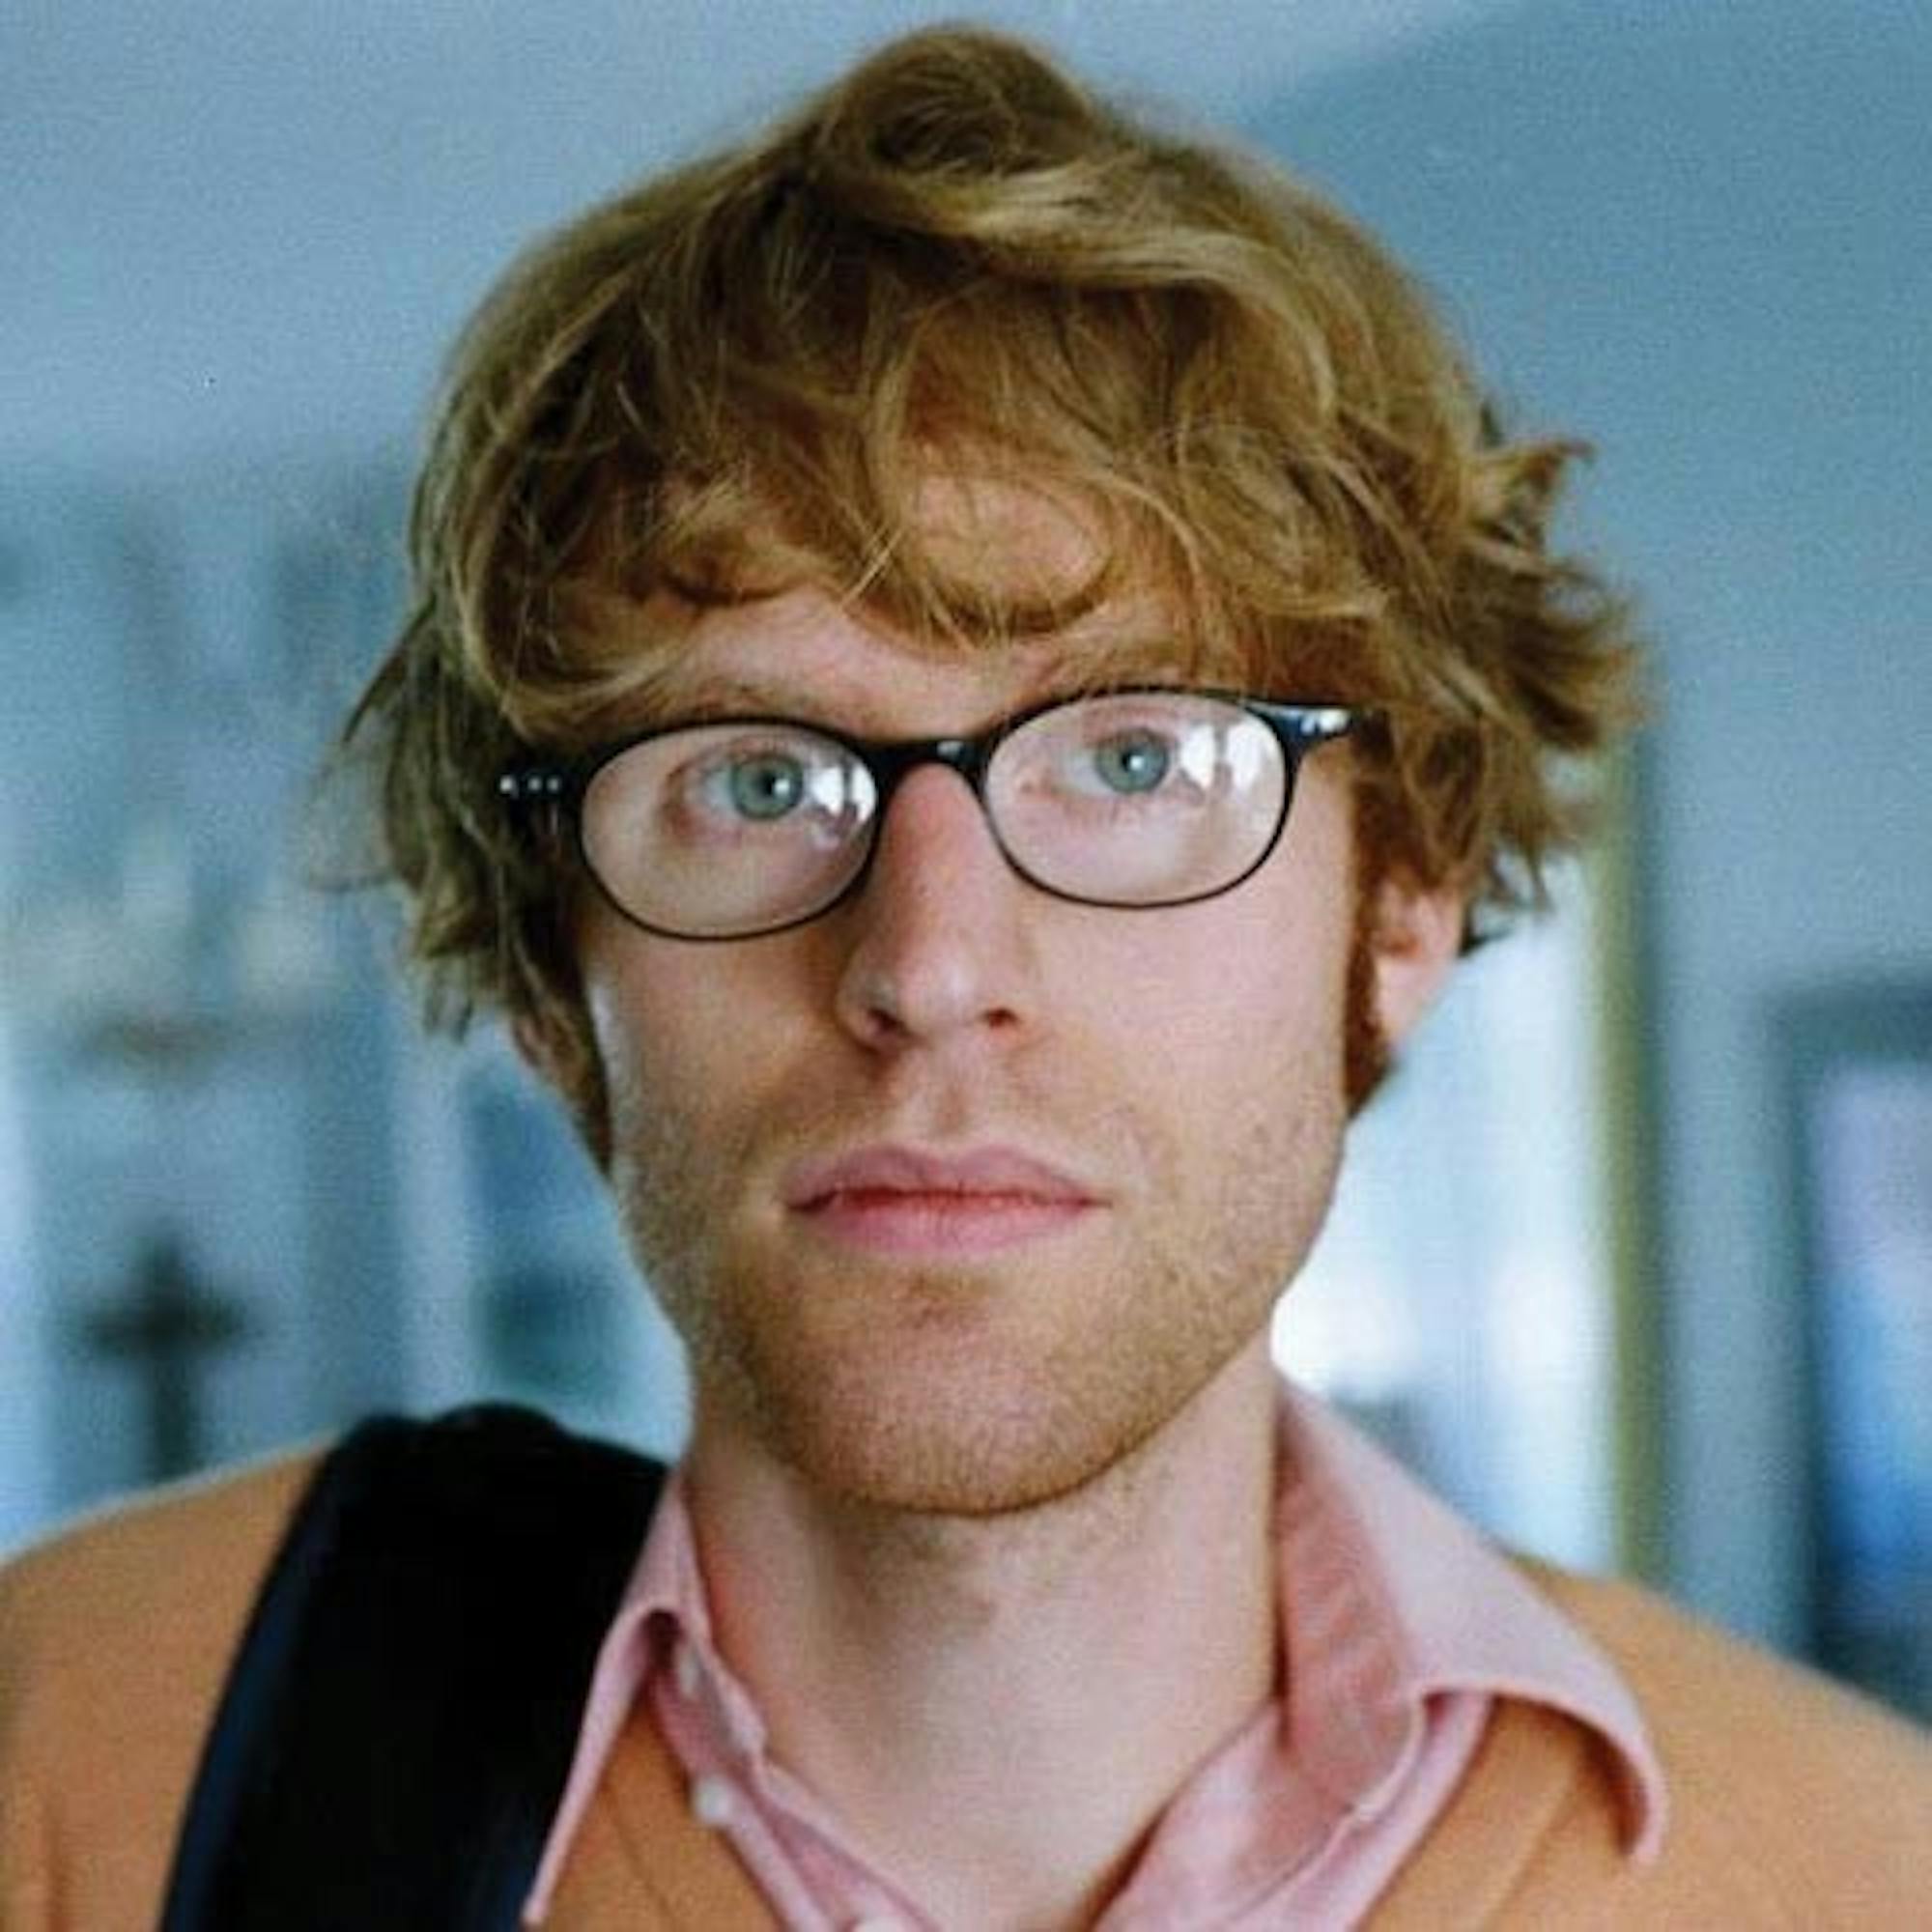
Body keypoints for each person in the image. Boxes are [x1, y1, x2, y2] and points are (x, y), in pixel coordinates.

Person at [4, 25, 1928, 1929]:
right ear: (547, 977)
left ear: (1399, 910)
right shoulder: (80, 1766)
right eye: (754, 783)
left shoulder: (1866, 1873)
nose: (929, 966)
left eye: (1136, 761)